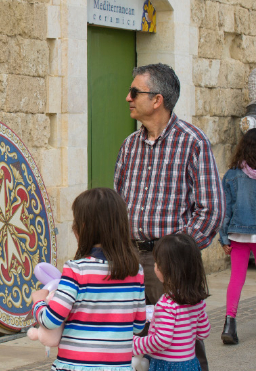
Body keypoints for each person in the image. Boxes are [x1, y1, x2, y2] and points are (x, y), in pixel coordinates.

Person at [114, 63, 224, 370]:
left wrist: (178, 253)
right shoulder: (129, 146)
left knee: (182, 347)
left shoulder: (193, 142)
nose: (128, 98)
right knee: (135, 341)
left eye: (134, 92)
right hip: (130, 258)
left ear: (157, 99)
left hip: (171, 263)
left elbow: (211, 210)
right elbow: (119, 202)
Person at [32, 188, 146, 371]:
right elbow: (138, 326)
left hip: (75, 366)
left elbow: (51, 320)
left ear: (83, 227)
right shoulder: (136, 271)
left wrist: (38, 301)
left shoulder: (76, 270)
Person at [133, 233, 211, 371]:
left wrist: (136, 343)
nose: (155, 265)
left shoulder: (166, 303)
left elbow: (161, 341)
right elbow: (203, 332)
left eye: (157, 262)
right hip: (190, 363)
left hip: (167, 365)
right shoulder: (197, 300)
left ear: (166, 269)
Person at [218, 128, 256, 344]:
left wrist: (224, 238)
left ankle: (229, 325)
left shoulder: (232, 175)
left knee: (236, 279)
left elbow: (226, 210)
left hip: (237, 234)